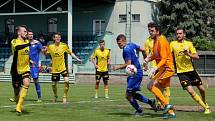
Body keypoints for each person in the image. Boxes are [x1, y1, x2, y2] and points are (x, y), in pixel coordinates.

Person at [112, 34, 156, 116]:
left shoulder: (126, 50)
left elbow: (128, 64)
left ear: (124, 41)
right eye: (118, 43)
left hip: (135, 74)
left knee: (128, 95)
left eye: (120, 43)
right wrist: (145, 62)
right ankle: (150, 102)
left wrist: (117, 67)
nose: (119, 45)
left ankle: (140, 111)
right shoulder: (132, 45)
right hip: (136, 73)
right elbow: (143, 49)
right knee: (132, 94)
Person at [170, 28, 211, 114]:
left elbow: (197, 57)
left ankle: (204, 102)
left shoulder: (189, 44)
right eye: (177, 33)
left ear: (184, 34)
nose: (178, 35)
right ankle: (205, 108)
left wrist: (188, 53)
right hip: (181, 72)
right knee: (191, 91)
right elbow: (168, 56)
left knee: (202, 89)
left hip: (191, 71)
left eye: (180, 33)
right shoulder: (173, 44)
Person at [144, 22, 176, 119]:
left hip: (167, 69)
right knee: (158, 89)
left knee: (151, 86)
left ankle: (167, 105)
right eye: (149, 30)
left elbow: (164, 59)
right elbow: (155, 54)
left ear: (158, 31)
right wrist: (147, 59)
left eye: (152, 30)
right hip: (163, 68)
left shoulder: (161, 40)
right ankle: (171, 113)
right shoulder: (155, 41)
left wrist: (155, 68)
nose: (150, 32)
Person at [44, 32, 82, 103]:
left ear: (60, 38)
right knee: (53, 84)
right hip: (55, 69)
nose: (58, 38)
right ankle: (55, 96)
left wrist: (77, 59)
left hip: (63, 68)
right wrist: (45, 51)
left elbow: (71, 53)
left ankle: (64, 96)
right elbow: (46, 54)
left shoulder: (64, 45)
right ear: (54, 38)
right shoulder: (50, 46)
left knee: (67, 81)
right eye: (56, 37)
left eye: (59, 37)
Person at [11, 25, 37, 115]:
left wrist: (30, 60)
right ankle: (17, 101)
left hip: (26, 68)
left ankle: (19, 106)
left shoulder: (26, 42)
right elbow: (18, 48)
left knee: (27, 83)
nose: (26, 33)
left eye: (26, 31)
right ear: (19, 32)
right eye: (24, 31)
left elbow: (25, 54)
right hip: (16, 69)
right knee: (16, 90)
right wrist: (29, 44)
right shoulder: (14, 41)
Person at [28, 30, 45, 102]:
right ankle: (18, 96)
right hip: (25, 64)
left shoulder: (37, 43)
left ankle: (39, 97)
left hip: (34, 65)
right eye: (29, 34)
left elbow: (42, 50)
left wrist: (44, 49)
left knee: (36, 80)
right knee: (22, 81)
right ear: (27, 35)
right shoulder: (24, 43)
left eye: (32, 34)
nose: (31, 35)